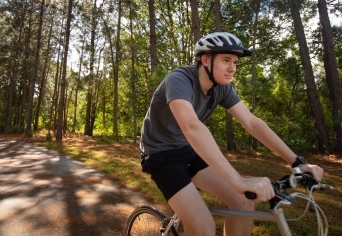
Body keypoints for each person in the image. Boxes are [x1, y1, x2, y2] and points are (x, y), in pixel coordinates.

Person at [139, 32, 324, 236]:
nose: (232, 68)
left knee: (244, 201)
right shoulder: (179, 79)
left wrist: (297, 162)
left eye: (235, 62)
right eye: (226, 60)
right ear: (206, 60)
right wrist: (237, 180)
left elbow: (253, 123)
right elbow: (192, 126)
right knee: (205, 229)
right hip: (161, 154)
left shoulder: (222, 89)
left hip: (187, 149)